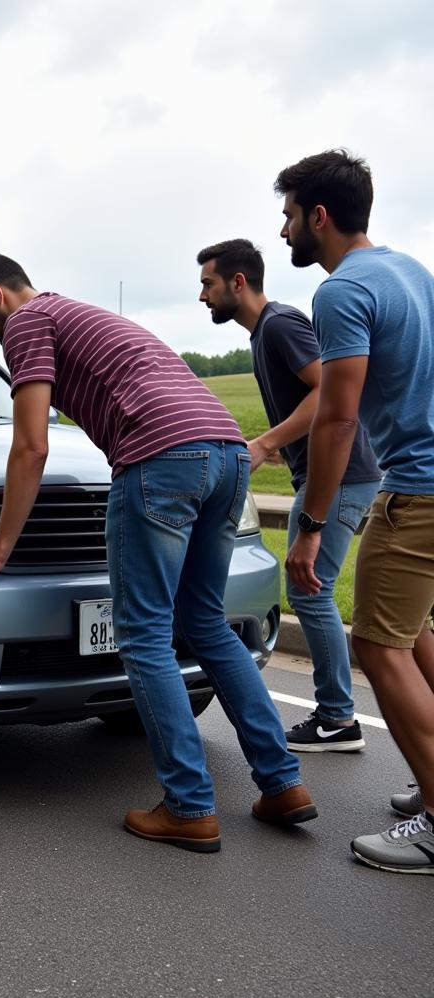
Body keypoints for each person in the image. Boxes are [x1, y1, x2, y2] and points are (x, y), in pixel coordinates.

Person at [0, 252, 315, 853]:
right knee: (207, 624)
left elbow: (31, 446)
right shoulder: (82, 314)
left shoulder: (28, 322)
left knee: (142, 635)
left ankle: (189, 806)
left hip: (162, 459)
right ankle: (282, 782)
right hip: (228, 455)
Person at [277, 149, 434, 874]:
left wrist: (308, 528)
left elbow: (338, 421)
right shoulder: (412, 271)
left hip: (418, 488)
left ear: (319, 215)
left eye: (287, 215)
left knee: (377, 644)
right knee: (417, 631)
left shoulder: (342, 292)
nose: (283, 232)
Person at [197, 239, 381, 751]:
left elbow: (329, 390)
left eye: (208, 283)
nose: (202, 296)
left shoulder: (279, 323)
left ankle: (337, 718)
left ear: (238, 282)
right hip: (335, 472)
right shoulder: (264, 333)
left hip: (345, 474)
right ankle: (337, 715)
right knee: (308, 586)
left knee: (308, 586)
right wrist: (288, 439)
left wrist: (268, 439)